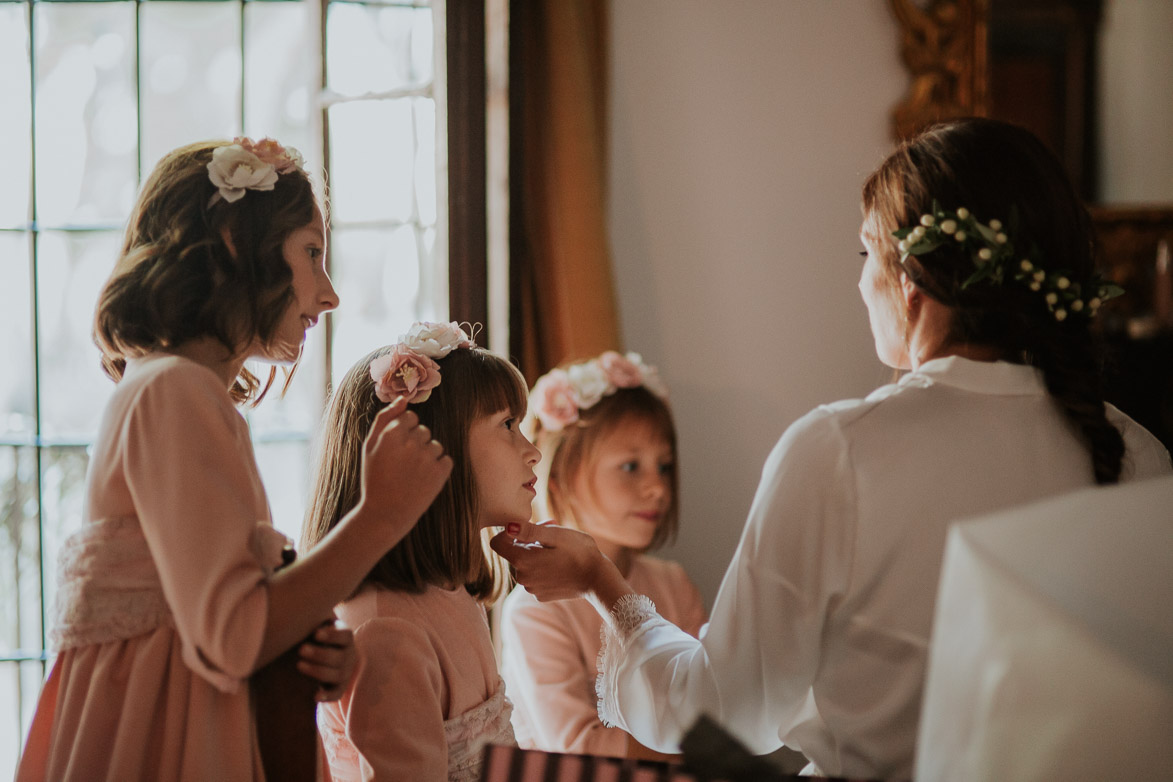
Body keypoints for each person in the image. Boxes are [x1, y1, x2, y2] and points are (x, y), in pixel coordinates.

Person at [491, 117, 1173, 780]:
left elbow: (717, 716)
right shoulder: (1139, 455)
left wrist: (602, 585)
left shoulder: (839, 452)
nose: (857, 282)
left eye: (863, 255)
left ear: (910, 283)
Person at [16, 138, 452, 782]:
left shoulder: (177, 391)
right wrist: (380, 516)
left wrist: (305, 645)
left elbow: (222, 621)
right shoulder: (173, 390)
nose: (328, 295)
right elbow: (232, 637)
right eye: (311, 254)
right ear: (230, 240)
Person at [302, 321, 537, 782]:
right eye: (508, 425)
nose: (532, 452)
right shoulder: (388, 632)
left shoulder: (452, 596)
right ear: (433, 447)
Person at [497, 351, 707, 760]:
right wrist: (695, 752)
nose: (657, 488)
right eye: (630, 467)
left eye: (663, 467)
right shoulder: (535, 610)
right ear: (560, 477)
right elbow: (581, 750)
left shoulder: (673, 584)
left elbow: (710, 703)